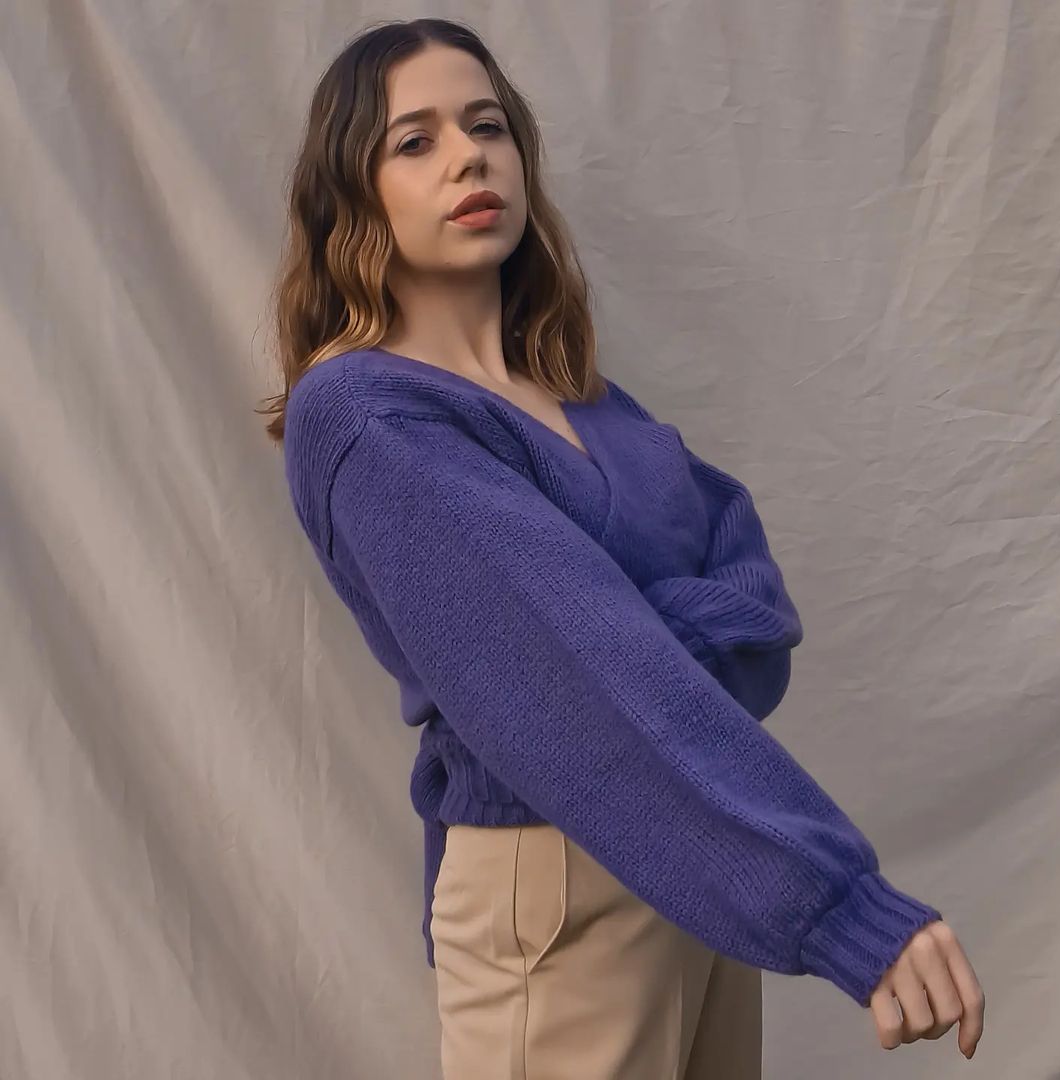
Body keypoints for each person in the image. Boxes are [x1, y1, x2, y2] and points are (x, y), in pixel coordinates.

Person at [259, 17, 985, 1078]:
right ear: (352, 191)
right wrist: (839, 905)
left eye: (488, 126)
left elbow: (753, 611)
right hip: (556, 888)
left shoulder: (585, 402)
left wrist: (629, 639)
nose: (469, 157)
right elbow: (570, 674)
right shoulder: (365, 413)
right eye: (414, 141)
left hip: (694, 865)